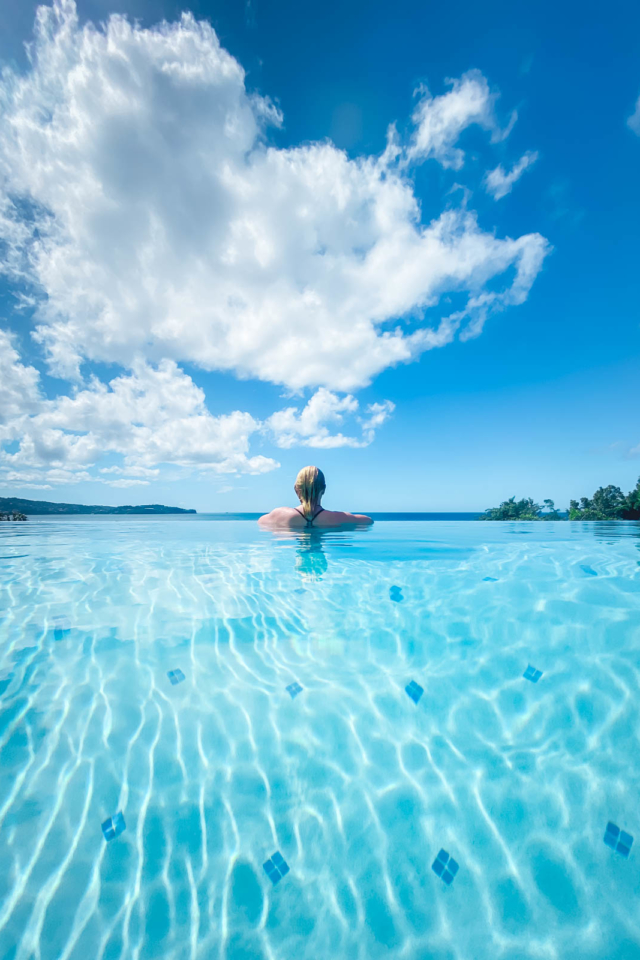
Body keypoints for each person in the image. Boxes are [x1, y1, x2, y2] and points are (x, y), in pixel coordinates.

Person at [258, 465, 373, 528]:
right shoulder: (336, 517)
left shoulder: (280, 514)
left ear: (296, 489)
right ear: (323, 490)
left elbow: (260, 521)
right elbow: (369, 521)